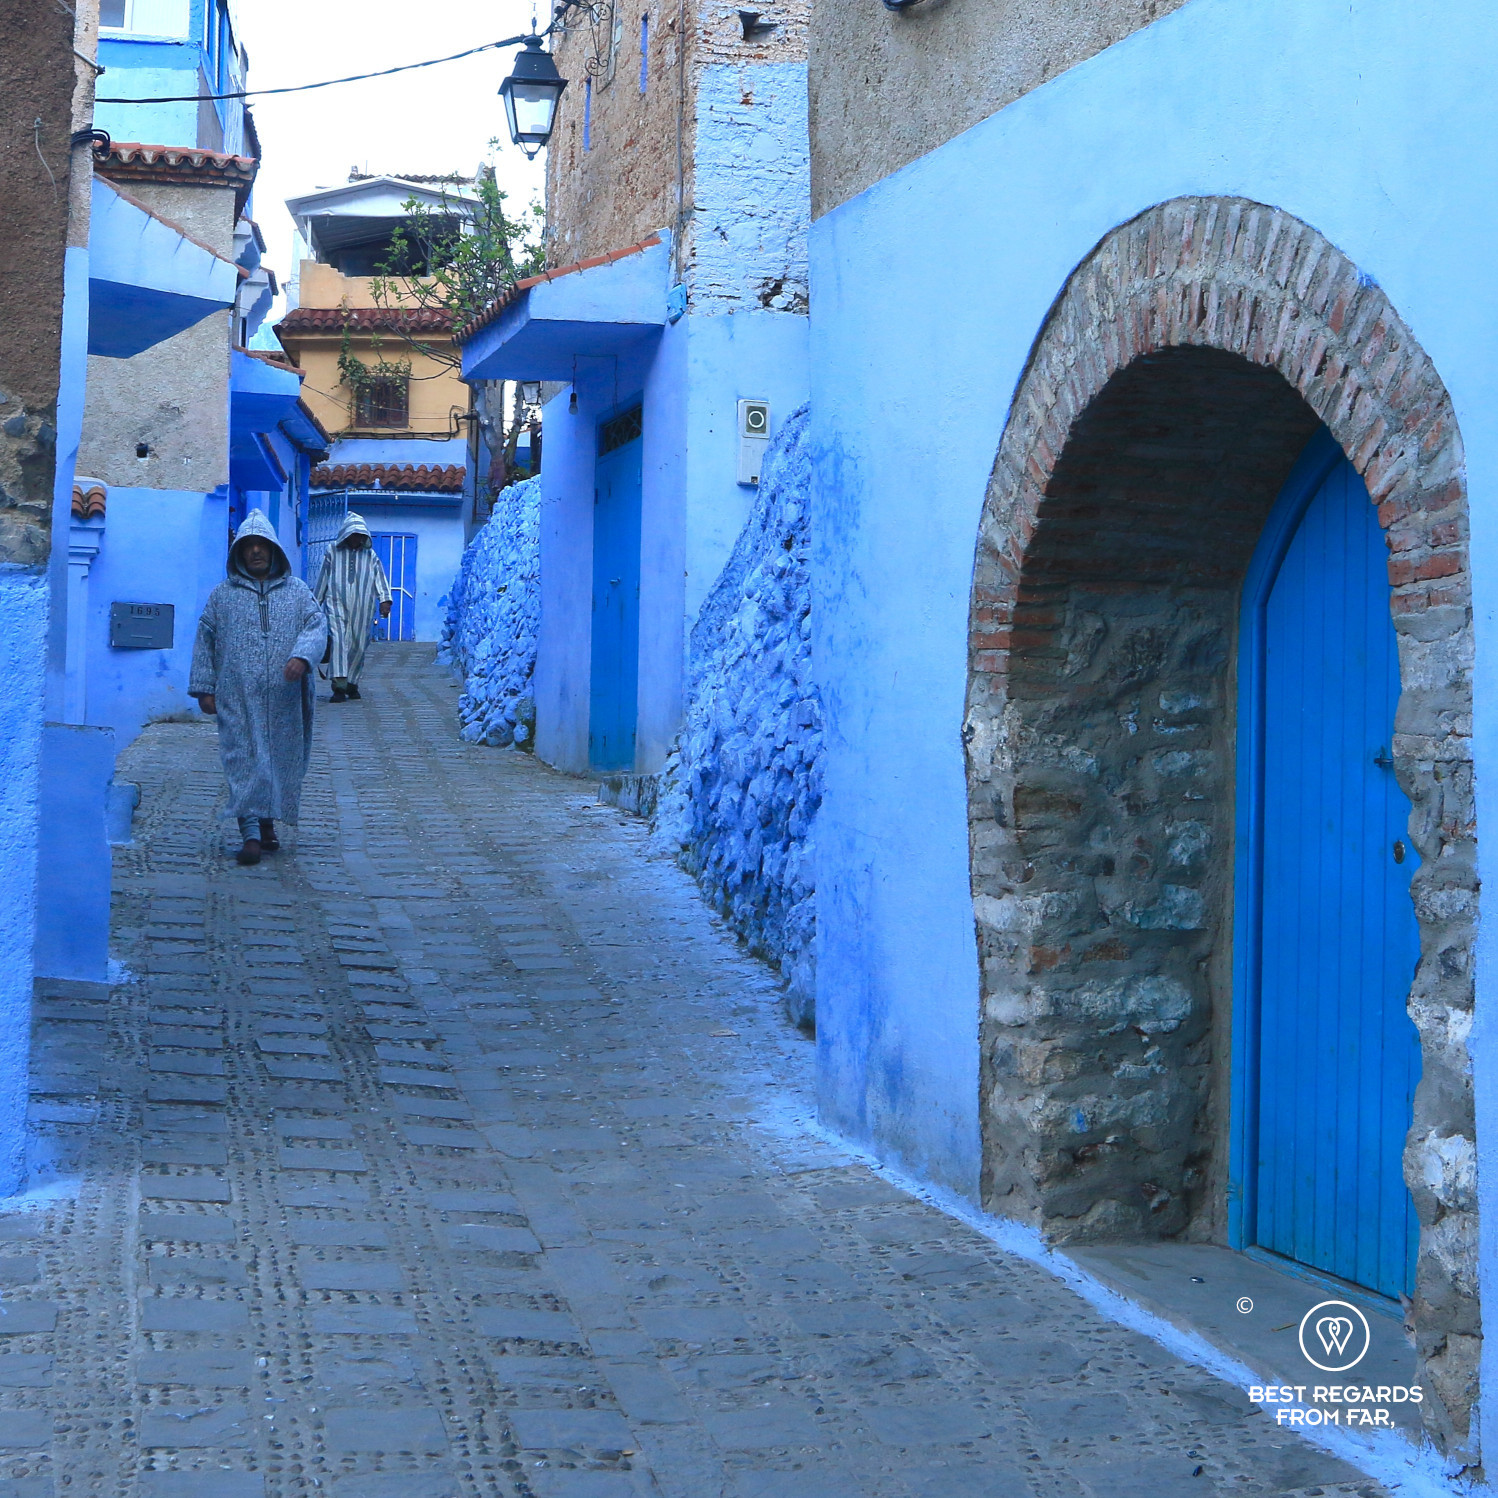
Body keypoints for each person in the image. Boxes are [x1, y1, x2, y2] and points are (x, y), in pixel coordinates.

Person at [190, 510, 327, 866]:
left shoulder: (298, 593)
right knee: (244, 760)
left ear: (274, 550)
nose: (255, 552)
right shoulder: (222, 597)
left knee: (278, 761)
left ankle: (268, 823)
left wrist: (302, 656)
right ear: (238, 553)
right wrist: (205, 687)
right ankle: (250, 833)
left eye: (261, 545)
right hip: (238, 697)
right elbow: (205, 639)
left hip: (284, 698)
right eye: (247, 546)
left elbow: (316, 626)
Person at [313, 511, 392, 702]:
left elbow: (380, 579)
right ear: (346, 534)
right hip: (336, 603)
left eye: (360, 535)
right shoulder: (332, 551)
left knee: (358, 645)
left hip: (363, 607)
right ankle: (339, 687)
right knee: (339, 641)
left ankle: (352, 683)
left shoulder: (370, 556)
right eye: (353, 534)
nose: (356, 538)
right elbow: (323, 577)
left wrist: (385, 600)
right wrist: (315, 603)